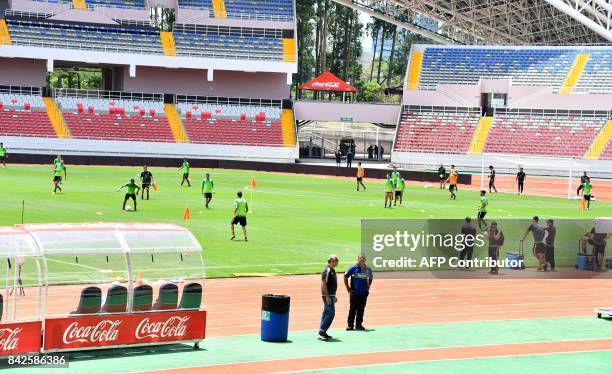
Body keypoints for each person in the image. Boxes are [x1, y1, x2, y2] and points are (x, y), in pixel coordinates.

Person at [344, 254, 373, 331]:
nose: (362, 260)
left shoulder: (367, 269)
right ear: (358, 259)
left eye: (363, 259)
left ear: (365, 260)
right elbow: (345, 276)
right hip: (354, 293)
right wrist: (348, 288)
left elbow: (370, 277)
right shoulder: (353, 268)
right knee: (352, 309)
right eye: (360, 259)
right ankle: (350, 325)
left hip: (364, 293)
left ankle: (359, 324)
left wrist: (368, 286)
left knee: (361, 309)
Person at [319, 254, 339, 341]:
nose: (337, 262)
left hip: (331, 295)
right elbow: (323, 283)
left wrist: (334, 296)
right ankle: (322, 331)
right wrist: (327, 296)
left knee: (326, 312)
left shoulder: (332, 270)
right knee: (331, 313)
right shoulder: (327, 270)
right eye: (336, 261)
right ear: (331, 261)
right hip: (327, 295)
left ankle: (322, 331)